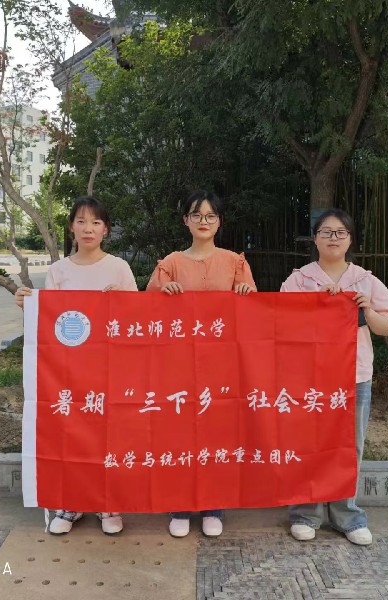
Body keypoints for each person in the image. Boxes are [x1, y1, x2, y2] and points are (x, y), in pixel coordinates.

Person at [15, 196, 138, 536]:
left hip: (110, 368)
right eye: (81, 221)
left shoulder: (119, 268)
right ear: (71, 226)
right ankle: (72, 504)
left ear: (106, 229)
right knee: (71, 434)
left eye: (96, 222)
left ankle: (109, 503)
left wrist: (123, 301)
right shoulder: (59, 271)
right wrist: (28, 304)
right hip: (69, 371)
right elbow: (49, 320)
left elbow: (137, 320)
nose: (88, 228)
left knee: (108, 435)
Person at [146, 190, 256, 538]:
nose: (203, 221)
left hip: (222, 367)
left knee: (217, 434)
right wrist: (163, 292)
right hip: (178, 366)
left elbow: (253, 313)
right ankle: (179, 506)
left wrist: (245, 295)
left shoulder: (235, 263)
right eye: (197, 215)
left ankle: (213, 506)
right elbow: (146, 307)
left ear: (219, 221)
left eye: (210, 216)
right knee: (179, 435)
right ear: (186, 221)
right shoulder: (171, 263)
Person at [281, 208, 388, 546]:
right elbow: (283, 325)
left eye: (340, 232)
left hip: (354, 376)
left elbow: (384, 327)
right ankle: (306, 513)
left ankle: (347, 515)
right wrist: (315, 305)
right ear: (315, 239)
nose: (333, 238)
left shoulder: (365, 281)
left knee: (349, 446)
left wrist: (366, 309)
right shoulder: (299, 280)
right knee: (309, 444)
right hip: (310, 378)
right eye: (326, 232)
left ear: (350, 239)